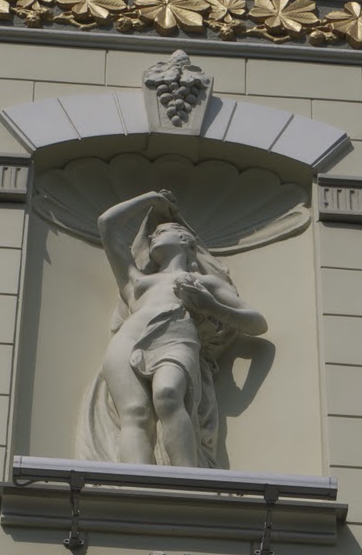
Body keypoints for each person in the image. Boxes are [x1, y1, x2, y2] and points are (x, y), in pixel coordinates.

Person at [77, 190, 267, 470]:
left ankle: (187, 479)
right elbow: (107, 224)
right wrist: (150, 199)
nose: (153, 236)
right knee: (135, 412)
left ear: (186, 241)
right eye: (153, 233)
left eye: (162, 231)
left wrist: (210, 306)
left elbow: (257, 323)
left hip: (177, 336)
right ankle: (136, 482)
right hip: (128, 338)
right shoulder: (136, 282)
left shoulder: (204, 283)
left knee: (168, 395)